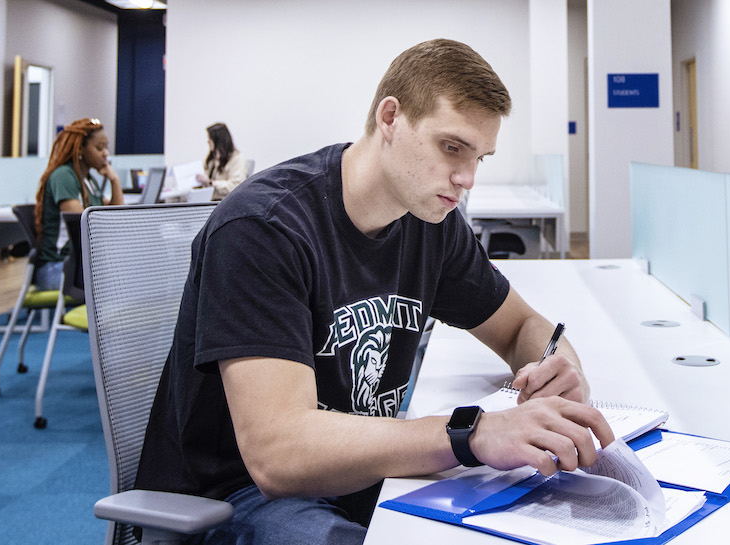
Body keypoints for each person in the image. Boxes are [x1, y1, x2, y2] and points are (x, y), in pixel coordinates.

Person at [134, 39, 611, 545]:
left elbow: (519, 326)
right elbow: (279, 454)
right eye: (452, 147)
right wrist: (472, 432)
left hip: (354, 475)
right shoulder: (264, 229)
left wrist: (561, 366)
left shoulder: (430, 220)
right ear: (390, 118)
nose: (466, 178)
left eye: (480, 158)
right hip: (239, 497)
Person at [31, 117, 124, 291]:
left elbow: (116, 215)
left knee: (127, 274)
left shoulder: (88, 180)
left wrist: (114, 180)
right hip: (57, 269)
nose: (106, 153)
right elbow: (81, 228)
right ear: (80, 148)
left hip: (77, 267)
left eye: (106, 147)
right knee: (122, 280)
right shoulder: (64, 176)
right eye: (99, 148)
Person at [196, 122, 249, 200]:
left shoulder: (237, 158)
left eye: (210, 138)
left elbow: (235, 185)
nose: (208, 141)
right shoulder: (212, 159)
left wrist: (211, 183)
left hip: (225, 202)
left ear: (218, 140)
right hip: (209, 200)